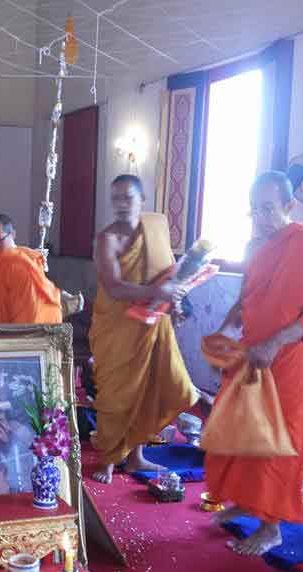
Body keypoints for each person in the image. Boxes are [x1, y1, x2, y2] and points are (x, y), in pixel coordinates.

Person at [206, 171, 303, 556]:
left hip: (290, 355)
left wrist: (275, 342)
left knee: (277, 438)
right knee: (242, 431)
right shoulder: (255, 246)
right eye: (254, 210)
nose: (261, 218)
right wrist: (224, 333)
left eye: (269, 208)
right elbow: (245, 301)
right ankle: (247, 501)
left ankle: (271, 526)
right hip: (252, 352)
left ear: (290, 205)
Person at [89, 175, 197, 484]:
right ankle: (109, 459)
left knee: (154, 388)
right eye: (116, 198)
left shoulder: (156, 228)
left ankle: (136, 458)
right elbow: (114, 287)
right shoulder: (107, 239)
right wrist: (157, 293)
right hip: (117, 325)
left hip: (153, 322)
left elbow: (169, 274)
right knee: (116, 394)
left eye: (128, 197)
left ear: (142, 200)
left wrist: (174, 302)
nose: (122, 204)